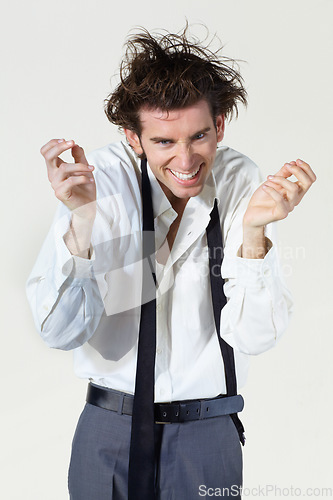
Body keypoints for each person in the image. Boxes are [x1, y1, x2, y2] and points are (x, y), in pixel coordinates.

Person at [26, 26, 316, 500]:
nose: (186, 159)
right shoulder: (99, 182)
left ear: (219, 126)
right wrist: (80, 222)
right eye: (163, 142)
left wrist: (254, 233)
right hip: (110, 429)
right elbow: (59, 332)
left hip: (209, 430)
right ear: (133, 138)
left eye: (199, 136)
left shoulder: (241, 180)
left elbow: (255, 336)